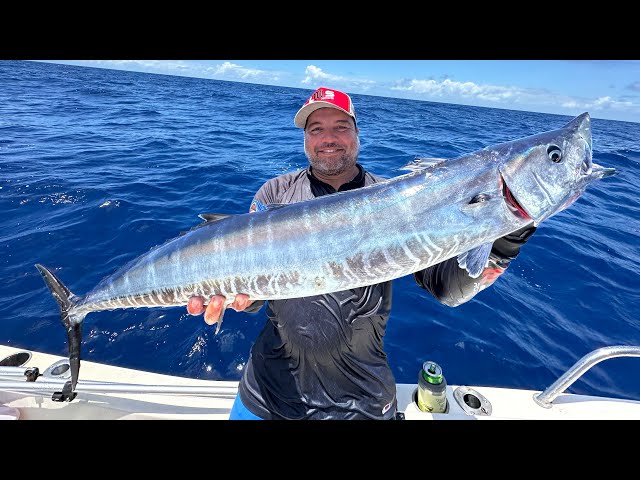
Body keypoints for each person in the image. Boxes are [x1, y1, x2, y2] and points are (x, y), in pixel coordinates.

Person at [186, 87, 536, 420]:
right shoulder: (275, 193)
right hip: (266, 393)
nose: (328, 138)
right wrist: (239, 298)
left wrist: (506, 235)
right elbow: (257, 292)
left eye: (341, 127)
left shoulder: (398, 198)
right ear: (305, 139)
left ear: (356, 133)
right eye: (316, 129)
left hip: (361, 399)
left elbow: (450, 289)